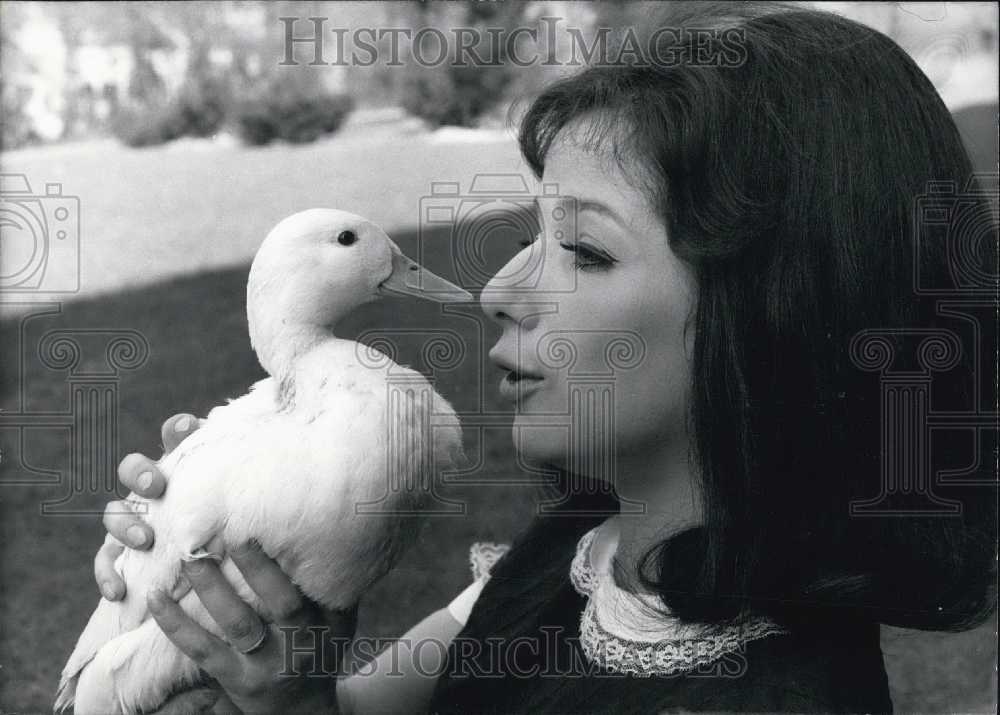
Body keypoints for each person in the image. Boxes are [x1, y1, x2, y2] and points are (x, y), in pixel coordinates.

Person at [92, 4, 997, 713]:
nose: (498, 291)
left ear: (779, 314)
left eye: (586, 251)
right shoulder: (580, 550)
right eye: (538, 232)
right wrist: (266, 590)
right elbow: (345, 706)